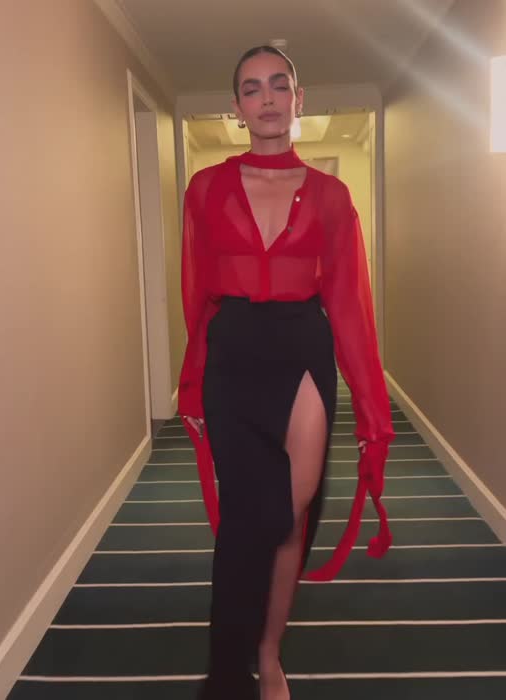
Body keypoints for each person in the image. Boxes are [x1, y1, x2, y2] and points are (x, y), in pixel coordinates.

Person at [178, 45, 395, 700]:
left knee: (287, 515)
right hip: (232, 352)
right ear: (238, 107)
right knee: (250, 514)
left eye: (279, 85)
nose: (267, 98)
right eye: (252, 88)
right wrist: (192, 381)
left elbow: (350, 306)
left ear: (298, 99)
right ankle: (226, 670)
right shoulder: (206, 187)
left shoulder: (331, 195)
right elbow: (196, 293)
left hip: (302, 348)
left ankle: (267, 652)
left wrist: (372, 412)